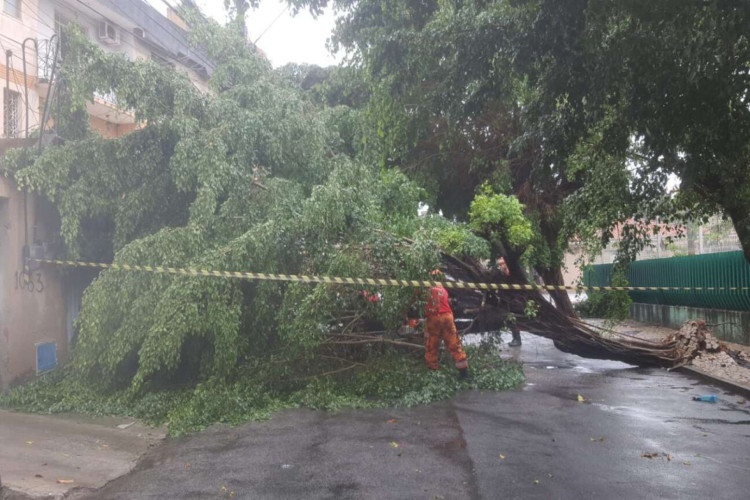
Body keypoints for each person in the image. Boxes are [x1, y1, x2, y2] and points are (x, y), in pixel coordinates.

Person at [423, 270, 469, 379]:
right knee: (454, 344)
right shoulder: (443, 289)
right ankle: (464, 375)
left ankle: (433, 373)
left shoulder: (426, 288)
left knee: (432, 344)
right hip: (448, 317)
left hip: (434, 318)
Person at [498, 257, 522, 347]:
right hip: (508, 301)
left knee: (513, 319)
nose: (501, 266)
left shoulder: (509, 274)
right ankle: (515, 338)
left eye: (502, 264)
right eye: (500, 264)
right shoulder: (503, 274)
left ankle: (517, 339)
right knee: (510, 319)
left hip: (513, 301)